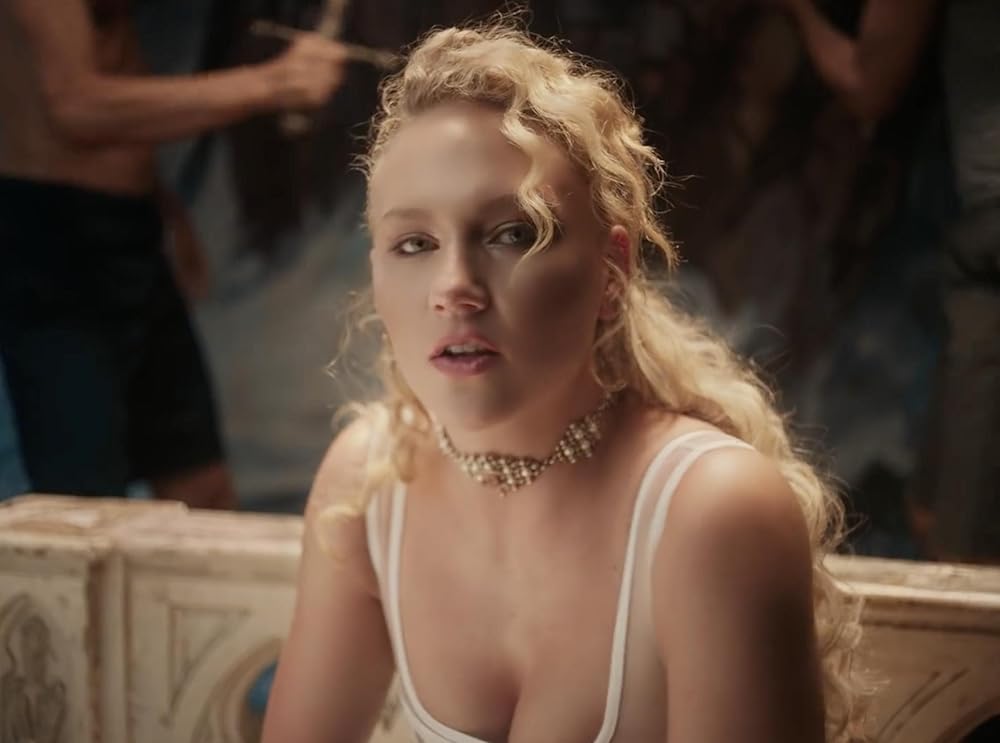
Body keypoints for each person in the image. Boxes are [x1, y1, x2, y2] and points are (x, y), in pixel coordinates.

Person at [262, 19, 864, 743]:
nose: (454, 288)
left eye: (513, 233)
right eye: (415, 243)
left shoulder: (711, 510)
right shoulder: (369, 480)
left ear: (612, 269)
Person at [0, 0, 347, 508]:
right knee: (83, 500)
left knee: (201, 484)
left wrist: (163, 208)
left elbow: (114, 65)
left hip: (132, 225)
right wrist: (273, 82)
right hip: (55, 238)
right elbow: (75, 105)